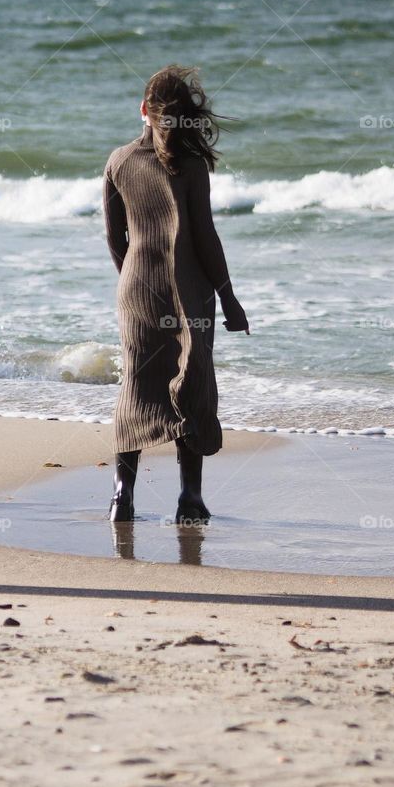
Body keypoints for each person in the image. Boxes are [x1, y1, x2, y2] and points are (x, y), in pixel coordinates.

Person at [102, 64, 249, 525]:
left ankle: (121, 498)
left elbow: (114, 238)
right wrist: (229, 300)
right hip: (189, 294)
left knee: (136, 386)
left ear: (143, 110)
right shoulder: (191, 166)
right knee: (192, 385)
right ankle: (190, 499)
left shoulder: (118, 161)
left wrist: (133, 284)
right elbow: (205, 239)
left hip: (136, 291)